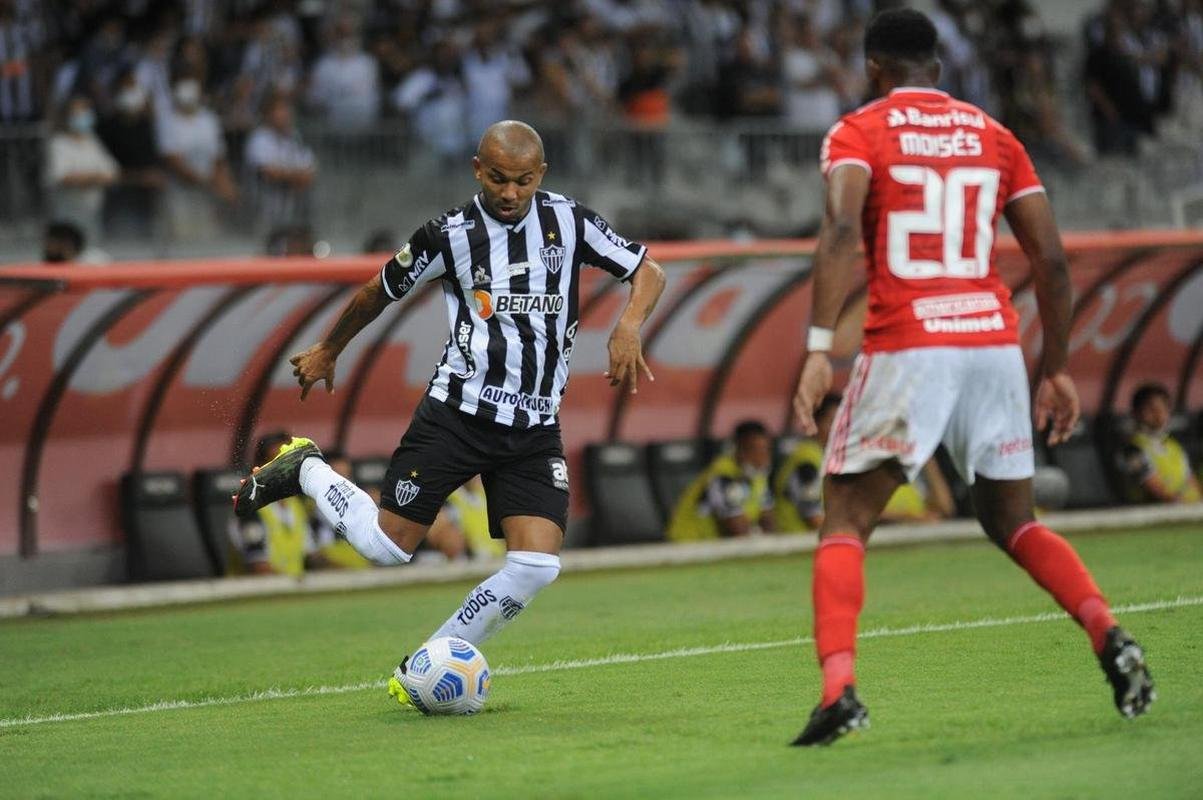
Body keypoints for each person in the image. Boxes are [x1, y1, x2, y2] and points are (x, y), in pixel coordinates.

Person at [789, 9, 1155, 747]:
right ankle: (1106, 631)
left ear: (872, 68)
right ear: (939, 66)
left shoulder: (856, 133)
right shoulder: (994, 135)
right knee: (1013, 520)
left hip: (907, 344)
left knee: (845, 519)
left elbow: (836, 232)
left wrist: (818, 348)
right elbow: (1050, 261)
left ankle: (838, 691)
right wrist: (1053, 367)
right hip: (991, 342)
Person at [231, 120, 666, 708]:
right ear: (475, 169)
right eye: (497, 179)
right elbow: (378, 290)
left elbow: (648, 270)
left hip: (534, 428)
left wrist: (629, 324)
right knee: (388, 548)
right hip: (457, 415)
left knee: (537, 565)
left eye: (522, 181)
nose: (510, 193)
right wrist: (331, 348)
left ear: (541, 175)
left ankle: (423, 664)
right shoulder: (448, 235)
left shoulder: (572, 222)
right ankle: (306, 468)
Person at [227, 431, 328, 576]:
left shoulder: (295, 504)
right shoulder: (250, 507)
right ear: (260, 468)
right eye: (276, 463)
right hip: (251, 595)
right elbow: (258, 567)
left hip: (291, 591)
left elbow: (311, 555)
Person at [667, 420, 776, 541]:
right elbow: (737, 530)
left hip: (713, 546)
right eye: (754, 451)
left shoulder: (758, 477)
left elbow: (768, 520)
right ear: (738, 449)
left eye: (765, 450)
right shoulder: (723, 476)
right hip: (689, 544)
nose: (761, 458)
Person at [44, 95, 119, 243]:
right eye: (78, 114)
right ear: (67, 117)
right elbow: (62, 177)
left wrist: (88, 178)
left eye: (85, 112)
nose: (83, 117)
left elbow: (112, 172)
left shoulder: (93, 142)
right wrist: (93, 178)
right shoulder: (58, 144)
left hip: (92, 214)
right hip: (67, 216)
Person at [1117, 383, 1202, 504]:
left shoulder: (1174, 446)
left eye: (1163, 408)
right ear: (1135, 413)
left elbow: (1191, 480)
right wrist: (1181, 503)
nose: (1159, 414)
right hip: (1157, 513)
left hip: (1188, 510)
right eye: (1151, 409)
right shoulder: (1132, 449)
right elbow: (1155, 489)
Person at [244, 94, 316, 233]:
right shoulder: (259, 138)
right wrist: (295, 177)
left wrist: (289, 176)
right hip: (265, 208)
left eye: (286, 109)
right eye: (279, 110)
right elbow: (268, 172)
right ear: (268, 114)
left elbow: (310, 172)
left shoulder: (294, 136)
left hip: (293, 208)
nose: (285, 114)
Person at [775, 394, 842, 532]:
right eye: (831, 422)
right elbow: (812, 515)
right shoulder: (807, 460)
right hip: (797, 543)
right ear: (814, 423)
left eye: (842, 423)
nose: (838, 430)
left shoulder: (823, 456)